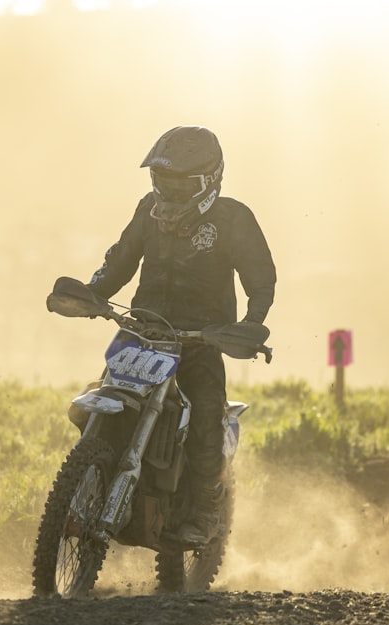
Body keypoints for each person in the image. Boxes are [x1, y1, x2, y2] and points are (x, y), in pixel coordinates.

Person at [85, 125, 276, 545]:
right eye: (162, 182)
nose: (168, 194)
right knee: (99, 398)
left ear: (209, 182)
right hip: (142, 333)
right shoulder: (145, 212)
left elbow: (260, 280)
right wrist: (94, 292)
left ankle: (207, 512)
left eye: (179, 184)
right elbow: (120, 259)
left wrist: (251, 321)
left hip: (201, 340)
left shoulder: (233, 219)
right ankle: (91, 480)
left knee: (206, 412)